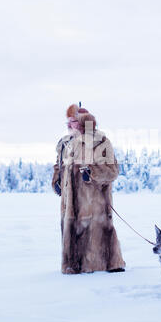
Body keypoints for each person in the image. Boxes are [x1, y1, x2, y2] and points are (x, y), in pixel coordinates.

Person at [52, 103, 126, 274]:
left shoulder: (100, 141)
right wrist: (57, 181)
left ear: (84, 122)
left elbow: (112, 170)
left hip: (94, 202)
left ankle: (109, 264)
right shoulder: (65, 143)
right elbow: (58, 165)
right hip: (69, 202)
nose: (69, 125)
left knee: (96, 232)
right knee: (71, 230)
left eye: (73, 122)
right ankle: (73, 265)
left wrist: (92, 172)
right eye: (68, 122)